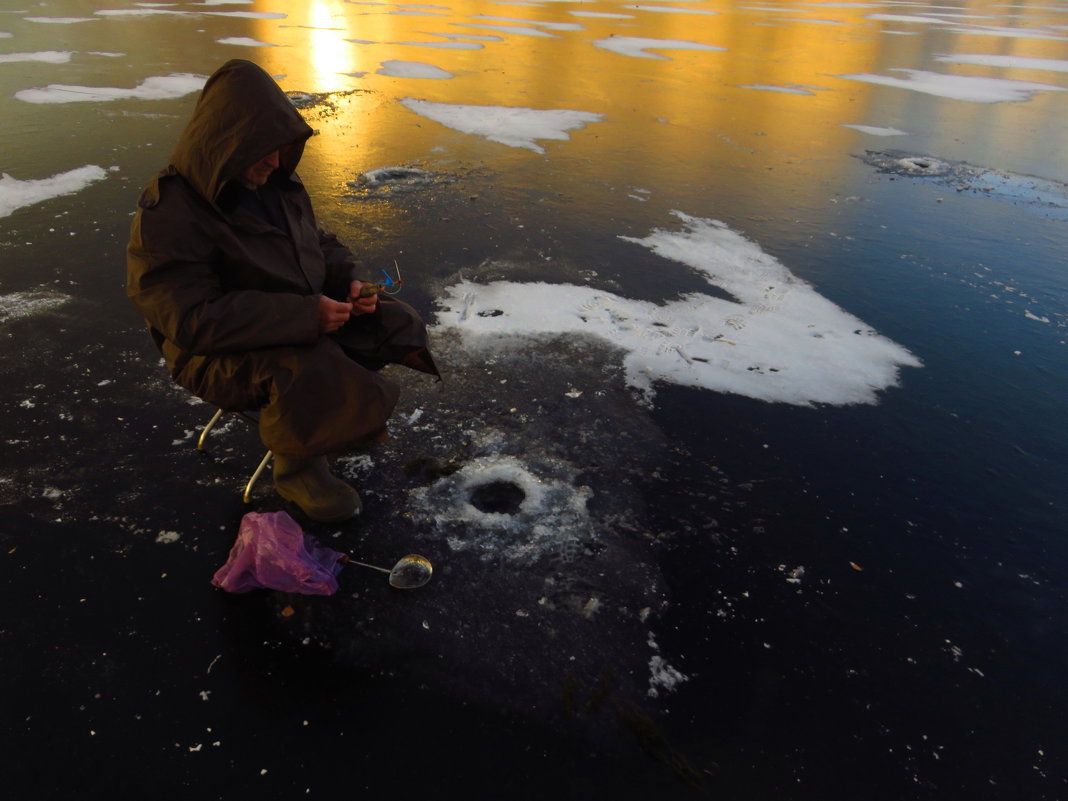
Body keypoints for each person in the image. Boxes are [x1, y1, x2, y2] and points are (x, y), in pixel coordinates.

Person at [126, 59, 438, 522]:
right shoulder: (169, 214)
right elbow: (189, 320)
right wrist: (304, 316)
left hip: (285, 316)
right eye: (262, 151)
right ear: (228, 144)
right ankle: (298, 471)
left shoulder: (275, 185)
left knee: (390, 319)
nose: (274, 162)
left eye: (280, 149)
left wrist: (350, 280)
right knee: (307, 365)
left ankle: (332, 418)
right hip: (209, 353)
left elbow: (319, 244)